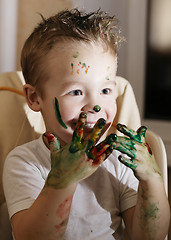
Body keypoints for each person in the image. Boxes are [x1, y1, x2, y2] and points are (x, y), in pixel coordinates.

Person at [3, 9, 170, 240]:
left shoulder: (119, 162)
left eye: (105, 90)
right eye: (76, 91)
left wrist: (151, 180)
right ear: (34, 98)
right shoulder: (24, 163)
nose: (96, 105)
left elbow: (148, 237)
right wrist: (62, 181)